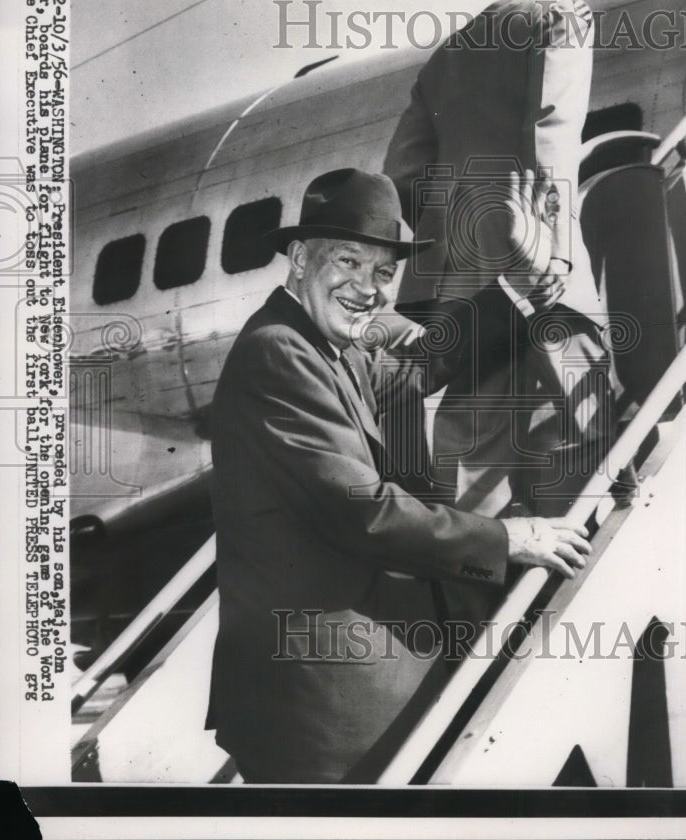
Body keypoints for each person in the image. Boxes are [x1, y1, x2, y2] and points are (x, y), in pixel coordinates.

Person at [206, 167, 592, 784]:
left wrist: (516, 289)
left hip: (332, 691)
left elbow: (420, 364)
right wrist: (510, 540)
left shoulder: (327, 345)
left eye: (383, 273)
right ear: (300, 259)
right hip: (325, 711)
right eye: (349, 262)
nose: (368, 288)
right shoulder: (278, 351)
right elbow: (364, 510)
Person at [383, 0, 633, 519]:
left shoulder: (449, 51)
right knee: (588, 428)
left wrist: (459, 243)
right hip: (538, 267)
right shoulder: (563, 15)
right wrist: (552, 252)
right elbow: (551, 134)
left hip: (466, 289)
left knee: (475, 455)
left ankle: (479, 588)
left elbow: (403, 176)